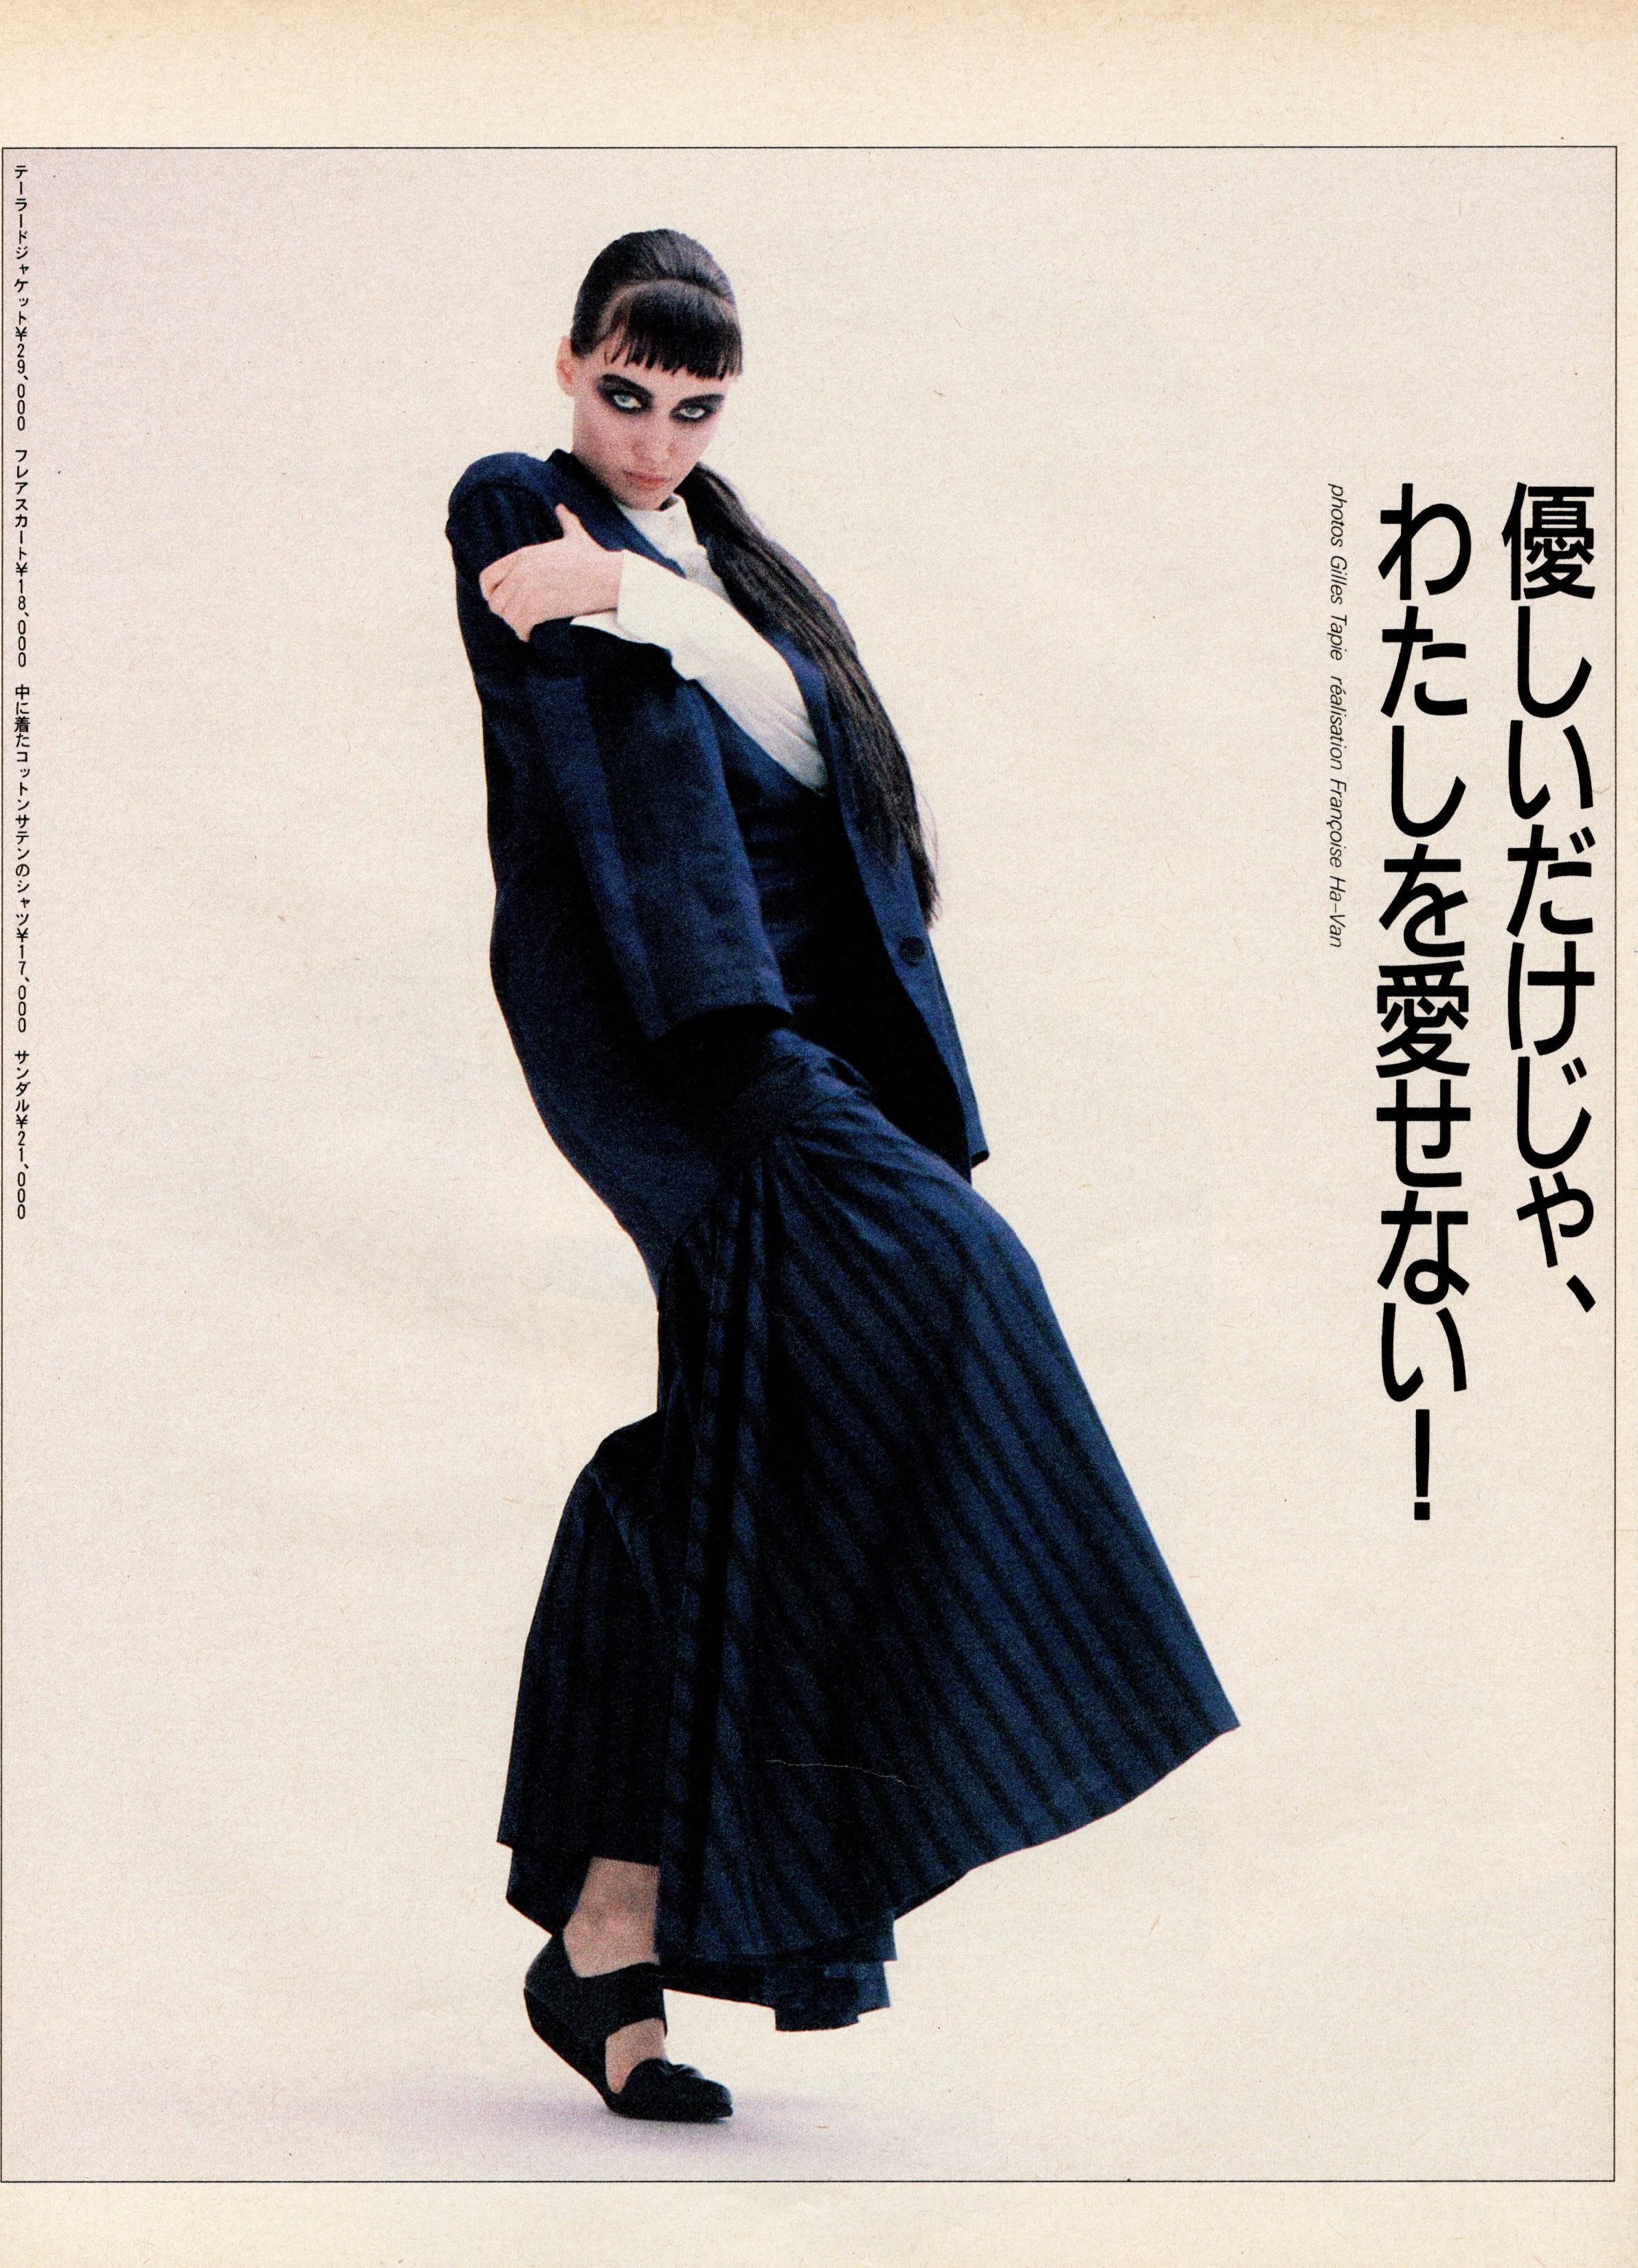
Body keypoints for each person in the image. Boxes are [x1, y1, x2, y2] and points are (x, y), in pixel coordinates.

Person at [443, 228, 1238, 2125]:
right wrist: (633, 597)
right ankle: (646, 1883)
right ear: (569, 367)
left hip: (820, 1043)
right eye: (624, 394)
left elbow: (815, 747)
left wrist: (663, 605)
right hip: (692, 1051)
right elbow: (572, 695)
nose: (650, 440)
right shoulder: (511, 501)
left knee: (737, 1463)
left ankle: (609, 1931)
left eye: (692, 409)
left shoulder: (729, 565)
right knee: (963, 1275)